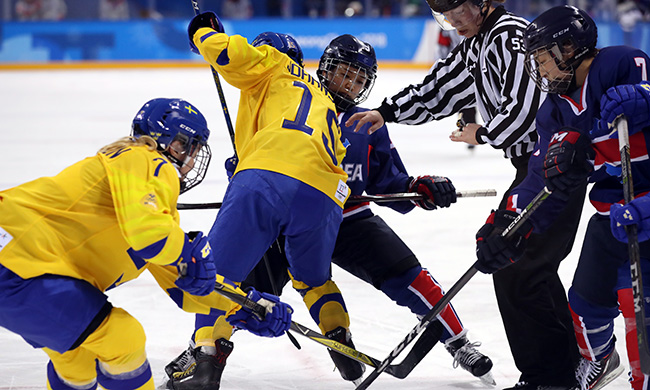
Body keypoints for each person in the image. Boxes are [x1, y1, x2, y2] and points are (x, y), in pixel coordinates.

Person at [163, 33, 495, 390]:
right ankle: (204, 355)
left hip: (347, 217)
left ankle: (458, 342)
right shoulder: (280, 95)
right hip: (296, 217)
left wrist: (419, 188)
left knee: (411, 277)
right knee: (236, 285)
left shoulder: (364, 122)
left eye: (358, 80)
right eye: (344, 74)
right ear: (325, 68)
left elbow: (389, 183)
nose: (349, 84)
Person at [345, 1, 584, 389]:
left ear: (484, 3)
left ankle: (553, 378)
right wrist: (387, 111)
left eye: (458, 13)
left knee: (516, 266)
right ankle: (571, 367)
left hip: (552, 164)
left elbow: (528, 106)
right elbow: (440, 88)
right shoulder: (477, 43)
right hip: (537, 166)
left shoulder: (508, 35)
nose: (453, 24)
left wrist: (484, 134)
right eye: (445, 17)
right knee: (529, 266)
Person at [0, 97, 291, 390]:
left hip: (24, 267)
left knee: (79, 361)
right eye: (187, 147)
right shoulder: (143, 158)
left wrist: (246, 305)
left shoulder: (151, 213)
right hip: (16, 254)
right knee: (123, 338)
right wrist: (186, 251)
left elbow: (185, 287)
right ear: (167, 142)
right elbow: (150, 234)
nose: (190, 161)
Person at [474, 5, 650, 390]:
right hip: (611, 217)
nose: (539, 70)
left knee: (640, 311)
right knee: (585, 306)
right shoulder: (554, 112)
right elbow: (540, 181)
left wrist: (649, 98)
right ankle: (598, 361)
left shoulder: (622, 62)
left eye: (541, 59)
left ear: (569, 48)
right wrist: (506, 223)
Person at [179, 10, 358, 387]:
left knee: (215, 277)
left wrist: (203, 33)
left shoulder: (273, 63)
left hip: (265, 179)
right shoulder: (323, 98)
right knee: (312, 279)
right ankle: (339, 335)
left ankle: (206, 362)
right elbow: (333, 160)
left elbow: (230, 54)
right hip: (324, 195)